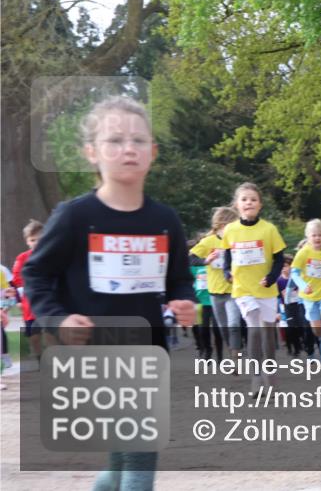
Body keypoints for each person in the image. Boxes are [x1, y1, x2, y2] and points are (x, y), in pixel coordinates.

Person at [23, 95, 196, 491]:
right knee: (138, 458)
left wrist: (184, 302)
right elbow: (37, 274)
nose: (128, 149)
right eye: (115, 141)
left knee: (123, 461)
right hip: (93, 353)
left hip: (149, 351)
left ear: (153, 152)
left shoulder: (164, 219)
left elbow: (180, 279)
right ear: (91, 152)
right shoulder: (75, 216)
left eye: (138, 140)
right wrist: (58, 318)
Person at [221, 182, 286, 394]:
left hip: (266, 289)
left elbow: (279, 259)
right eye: (244, 199)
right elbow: (227, 255)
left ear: (260, 205)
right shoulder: (230, 230)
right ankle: (256, 378)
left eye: (253, 199)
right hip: (243, 289)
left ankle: (270, 374)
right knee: (254, 328)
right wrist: (226, 272)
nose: (249, 202)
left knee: (268, 334)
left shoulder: (269, 229)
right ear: (237, 205)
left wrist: (271, 277)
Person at [190, 207, 242, 363]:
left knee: (234, 324)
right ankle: (232, 348)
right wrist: (206, 261)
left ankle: (235, 356)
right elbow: (190, 259)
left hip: (233, 290)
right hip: (214, 292)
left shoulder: (237, 241)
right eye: (230, 225)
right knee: (223, 327)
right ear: (220, 224)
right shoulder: (208, 242)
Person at [290, 219, 321, 360]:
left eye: (320, 235)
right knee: (317, 329)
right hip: (309, 297)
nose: (317, 238)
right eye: (314, 235)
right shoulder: (303, 253)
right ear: (308, 237)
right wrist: (303, 285)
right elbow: (294, 273)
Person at [11, 219, 44, 364]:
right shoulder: (22, 258)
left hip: (49, 302)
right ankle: (38, 357)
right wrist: (18, 300)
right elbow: (16, 280)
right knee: (33, 335)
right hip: (29, 304)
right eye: (32, 240)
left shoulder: (53, 254)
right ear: (27, 242)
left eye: (40, 239)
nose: (36, 242)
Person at [188, 239, 223, 361]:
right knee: (202, 329)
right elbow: (188, 280)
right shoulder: (195, 266)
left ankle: (220, 355)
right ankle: (206, 349)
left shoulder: (213, 262)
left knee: (217, 329)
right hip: (199, 301)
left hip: (214, 298)